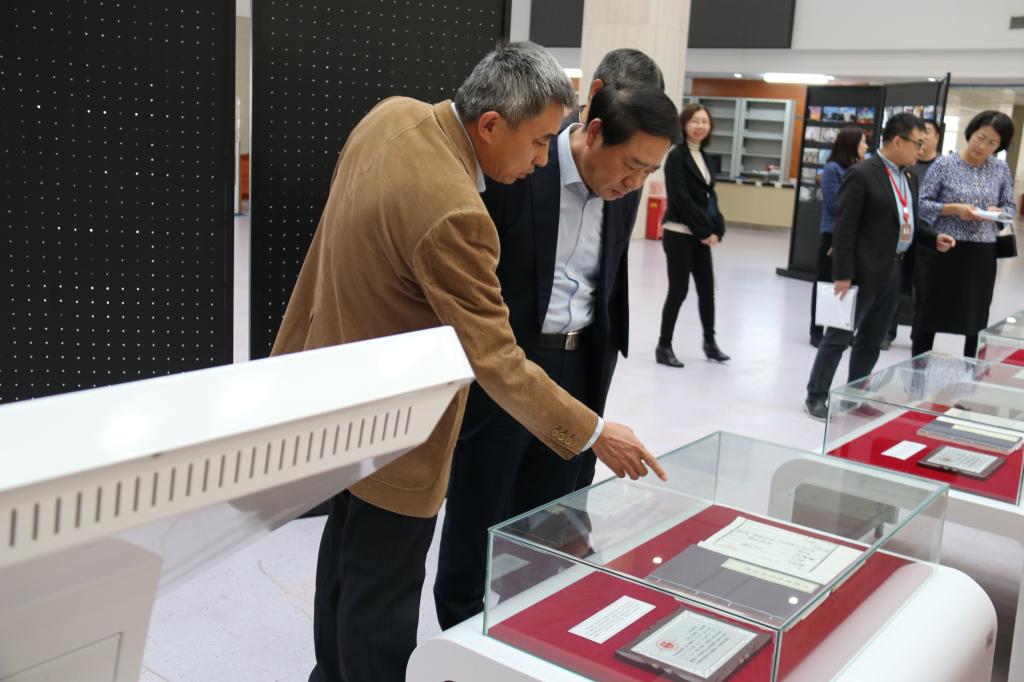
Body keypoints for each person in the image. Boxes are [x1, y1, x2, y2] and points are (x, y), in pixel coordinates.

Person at [270, 42, 667, 682]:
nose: (542, 159)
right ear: (490, 124)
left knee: (345, 559)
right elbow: (497, 358)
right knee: (384, 595)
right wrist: (595, 431)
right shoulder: (458, 210)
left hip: (338, 394)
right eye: (538, 142)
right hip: (396, 422)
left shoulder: (392, 115)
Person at [434, 55, 679, 630]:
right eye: (631, 166)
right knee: (482, 508)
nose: (634, 183)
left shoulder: (626, 186)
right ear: (593, 132)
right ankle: (463, 637)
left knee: (554, 513)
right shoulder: (521, 167)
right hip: (510, 365)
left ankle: (534, 628)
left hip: (582, 362)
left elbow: (605, 275)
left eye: (649, 172)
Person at [803, 113, 956, 420]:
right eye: (917, 143)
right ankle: (816, 396)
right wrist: (843, 274)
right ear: (898, 141)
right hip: (861, 271)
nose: (921, 150)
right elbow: (845, 227)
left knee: (871, 340)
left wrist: (932, 237)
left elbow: (908, 219)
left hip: (895, 269)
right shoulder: (862, 173)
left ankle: (855, 396)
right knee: (838, 338)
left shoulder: (908, 176)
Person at [911, 110, 1017, 358]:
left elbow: (1010, 207)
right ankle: (917, 368)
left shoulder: (1000, 169)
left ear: (1000, 146)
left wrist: (999, 212)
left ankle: (972, 372)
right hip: (946, 248)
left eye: (992, 143)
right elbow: (922, 204)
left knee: (976, 317)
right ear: (971, 132)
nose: (983, 146)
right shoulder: (944, 164)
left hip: (982, 254)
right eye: (981, 137)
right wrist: (956, 210)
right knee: (930, 313)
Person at [656, 104, 730, 367]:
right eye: (695, 121)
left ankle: (710, 343)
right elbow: (681, 199)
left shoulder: (706, 158)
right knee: (679, 290)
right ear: (684, 124)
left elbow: (710, 197)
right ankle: (664, 346)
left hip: (701, 235)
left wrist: (717, 229)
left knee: (707, 290)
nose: (700, 126)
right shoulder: (676, 156)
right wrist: (704, 231)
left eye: (704, 121)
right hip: (678, 232)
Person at [881, 117, 944, 350]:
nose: (923, 138)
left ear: (937, 137)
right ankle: (887, 332)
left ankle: (918, 335)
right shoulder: (903, 166)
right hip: (897, 240)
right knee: (893, 288)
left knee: (921, 289)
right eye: (920, 133)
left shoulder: (940, 166)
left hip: (925, 236)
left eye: (928, 132)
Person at [810, 127, 868, 347]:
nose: (866, 147)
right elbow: (836, 204)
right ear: (851, 144)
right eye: (862, 142)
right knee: (825, 282)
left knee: (848, 285)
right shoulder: (832, 169)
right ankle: (816, 330)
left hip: (854, 236)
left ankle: (841, 329)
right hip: (832, 234)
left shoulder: (863, 169)